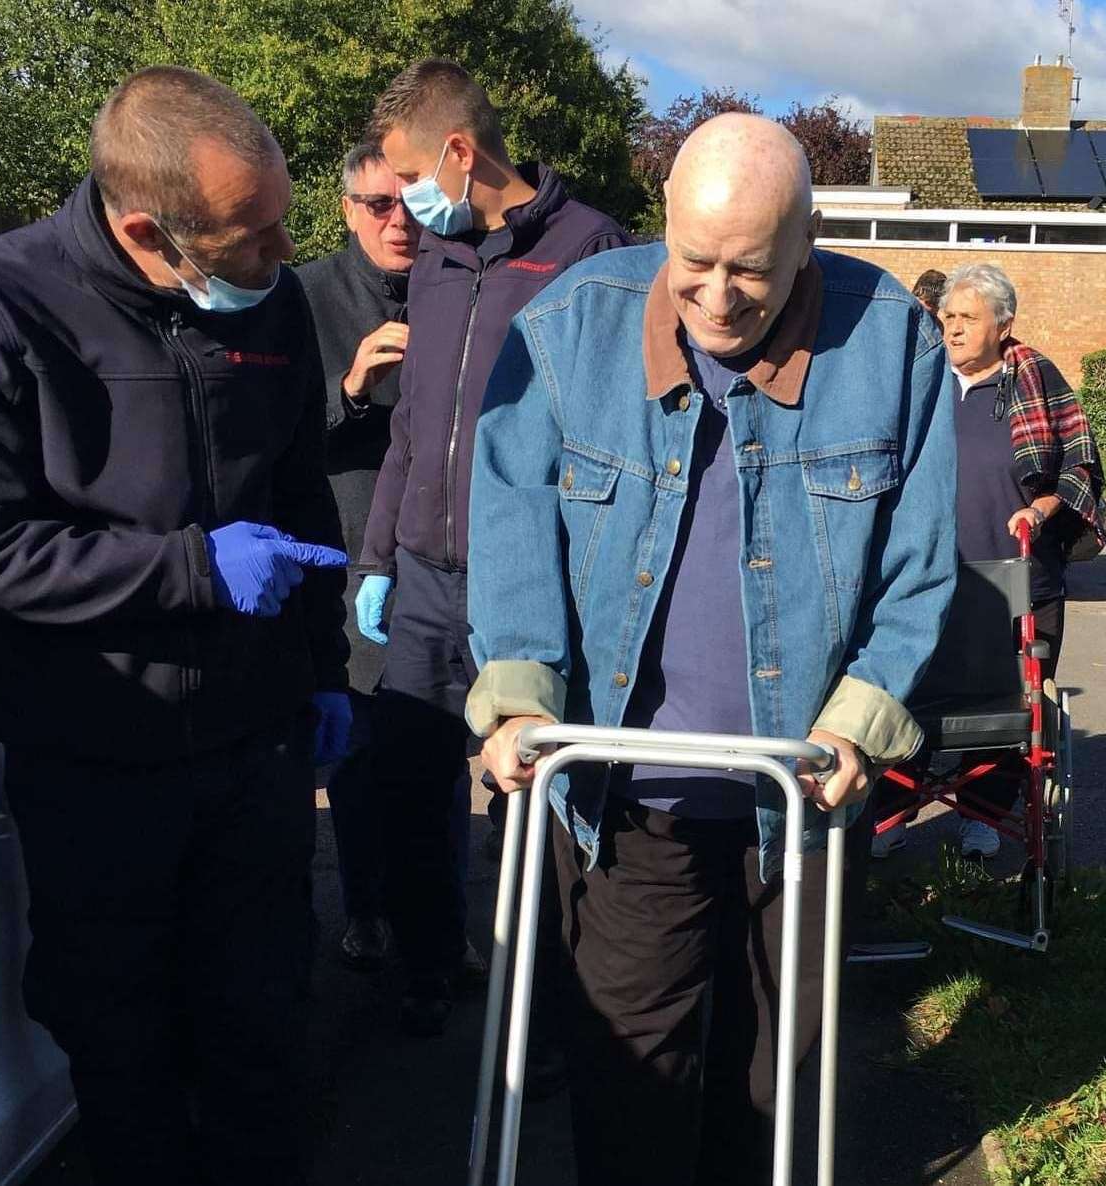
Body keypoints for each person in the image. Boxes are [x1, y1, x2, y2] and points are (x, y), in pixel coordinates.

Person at [468, 113, 957, 1185]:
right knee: (631, 1072)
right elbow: (512, 526)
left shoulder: (892, 343)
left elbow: (920, 565)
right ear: (663, 228)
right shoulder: (567, 329)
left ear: (808, 240)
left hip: (805, 797)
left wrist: (861, 715)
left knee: (774, 1085)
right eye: (696, 262)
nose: (720, 296)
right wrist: (514, 697)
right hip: (634, 800)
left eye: (754, 269)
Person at [0, 67, 350, 1185]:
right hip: (98, 754)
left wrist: (324, 669)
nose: (285, 252)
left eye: (285, 218)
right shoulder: (10, 307)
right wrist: (192, 569)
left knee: (263, 1018)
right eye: (253, 234)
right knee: (123, 1036)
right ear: (150, 231)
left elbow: (297, 497)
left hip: (252, 741)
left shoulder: (270, 303)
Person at [355, 59, 631, 1036]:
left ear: (460, 153)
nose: (401, 204)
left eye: (408, 178)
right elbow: (414, 424)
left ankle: (542, 1012)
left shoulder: (594, 250)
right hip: (425, 580)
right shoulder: (433, 263)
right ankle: (430, 971)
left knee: (532, 809)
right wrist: (377, 558)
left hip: (534, 585)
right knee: (404, 783)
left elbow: (615, 436)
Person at [874, 262, 1106, 860]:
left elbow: (1081, 469)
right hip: (927, 580)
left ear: (1003, 324)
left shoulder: (1036, 382)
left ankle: (984, 815)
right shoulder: (920, 385)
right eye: (947, 316)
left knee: (1007, 701)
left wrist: (1044, 507)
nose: (951, 328)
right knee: (912, 695)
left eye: (967, 318)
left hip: (1021, 580)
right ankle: (897, 807)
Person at [296, 141, 418, 969]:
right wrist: (347, 388)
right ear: (347, 209)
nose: (397, 220)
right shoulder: (299, 296)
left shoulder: (458, 287)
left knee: (441, 754)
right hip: (345, 550)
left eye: (411, 202)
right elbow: (263, 442)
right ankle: (369, 911)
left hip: (437, 551)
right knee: (361, 757)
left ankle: (437, 934)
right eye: (377, 204)